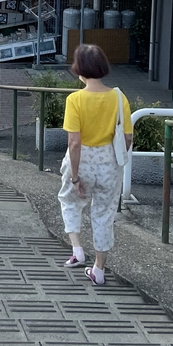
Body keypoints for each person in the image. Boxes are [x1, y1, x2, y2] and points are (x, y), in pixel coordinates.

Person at [58, 43, 133, 285]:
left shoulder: (75, 100)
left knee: (70, 200)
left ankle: (77, 249)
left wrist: (76, 177)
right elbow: (128, 137)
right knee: (103, 214)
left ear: (79, 69)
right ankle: (98, 270)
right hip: (109, 162)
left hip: (83, 161)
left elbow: (74, 143)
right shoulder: (120, 98)